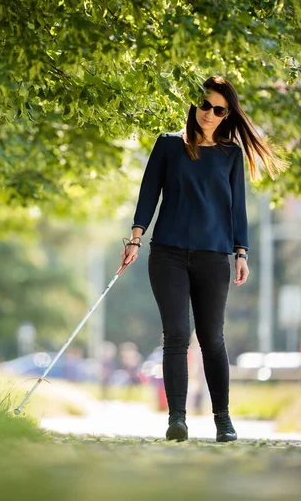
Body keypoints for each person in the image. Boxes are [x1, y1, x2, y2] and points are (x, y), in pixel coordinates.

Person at [117, 76, 289, 442]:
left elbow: (236, 207)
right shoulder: (167, 145)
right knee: (176, 334)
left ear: (227, 114)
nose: (210, 114)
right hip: (168, 253)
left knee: (212, 337)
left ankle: (223, 420)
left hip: (214, 256)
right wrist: (135, 239)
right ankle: (176, 419)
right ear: (194, 105)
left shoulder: (230, 154)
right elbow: (149, 194)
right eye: (206, 105)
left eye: (219, 109)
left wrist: (241, 251)